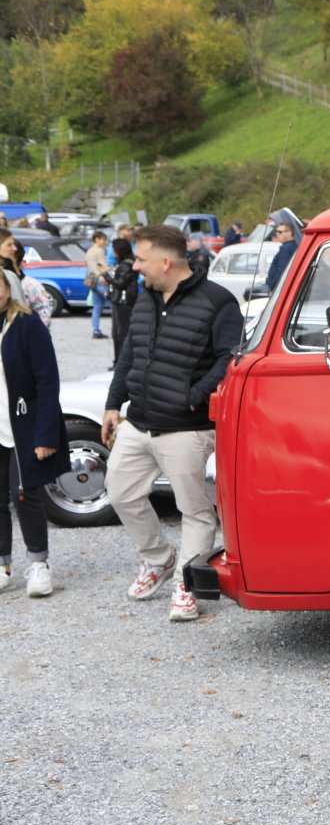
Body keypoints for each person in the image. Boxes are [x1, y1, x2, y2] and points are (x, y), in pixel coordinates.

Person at [102, 225, 243, 622]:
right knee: (120, 492)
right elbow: (129, 353)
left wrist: (192, 397)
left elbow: (229, 358)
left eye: (141, 259)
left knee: (194, 511)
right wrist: (113, 404)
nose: (135, 267)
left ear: (165, 262)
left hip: (186, 428)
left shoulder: (218, 301)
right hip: (138, 421)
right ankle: (158, 558)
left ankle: (188, 584)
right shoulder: (145, 297)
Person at [0, 269, 69, 597]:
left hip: (22, 427)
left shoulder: (27, 326)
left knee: (25, 495)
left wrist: (45, 435)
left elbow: (47, 381)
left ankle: (39, 564)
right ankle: (2, 565)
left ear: (8, 287)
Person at [107, 237, 139, 364]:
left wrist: (105, 275)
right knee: (116, 333)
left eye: (114, 250)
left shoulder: (127, 265)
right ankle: (118, 361)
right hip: (119, 301)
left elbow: (120, 284)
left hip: (124, 302)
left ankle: (122, 361)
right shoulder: (126, 264)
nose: (113, 253)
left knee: (122, 332)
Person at [84, 231, 112, 340]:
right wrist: (105, 278)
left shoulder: (89, 250)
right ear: (97, 239)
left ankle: (96, 330)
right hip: (100, 280)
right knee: (112, 303)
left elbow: (89, 267)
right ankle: (117, 328)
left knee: (97, 306)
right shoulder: (99, 251)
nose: (105, 242)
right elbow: (102, 266)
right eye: (103, 239)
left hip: (92, 280)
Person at [264, 222, 298, 291]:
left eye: (280, 232)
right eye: (276, 231)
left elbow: (282, 271)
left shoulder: (286, 249)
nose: (277, 234)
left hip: (279, 288)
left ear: (289, 233)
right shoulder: (293, 246)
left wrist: (273, 285)